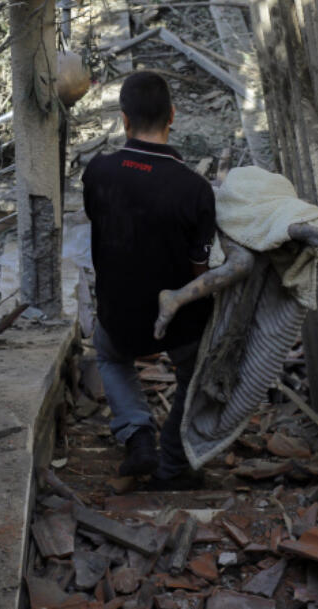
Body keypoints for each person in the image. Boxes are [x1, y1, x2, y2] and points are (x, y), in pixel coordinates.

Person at [82, 71, 216, 488]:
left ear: (124, 120)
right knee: (194, 374)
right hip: (178, 324)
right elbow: (199, 271)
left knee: (108, 355)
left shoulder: (98, 172)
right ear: (172, 115)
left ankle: (138, 433)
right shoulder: (195, 189)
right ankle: (173, 464)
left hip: (118, 316)